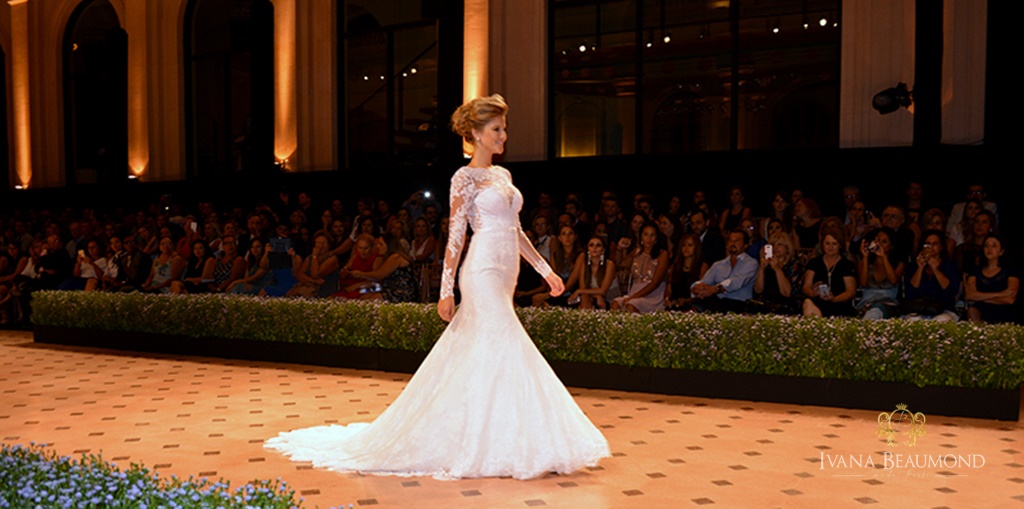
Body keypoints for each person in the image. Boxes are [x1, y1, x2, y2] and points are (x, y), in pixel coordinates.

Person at [266, 94, 609, 479]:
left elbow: (516, 231)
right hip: (481, 271)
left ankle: (496, 434)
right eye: (496, 129)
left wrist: (547, 271)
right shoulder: (463, 178)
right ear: (475, 134)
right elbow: (456, 237)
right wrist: (446, 291)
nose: (503, 135)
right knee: (508, 343)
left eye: (504, 128)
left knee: (489, 351)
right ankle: (499, 441)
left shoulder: (503, 176)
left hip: (506, 271)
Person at [690, 229, 758, 313]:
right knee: (697, 302)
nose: (733, 243)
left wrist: (715, 289)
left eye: (737, 241)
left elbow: (736, 282)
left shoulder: (751, 263)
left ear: (745, 245)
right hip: (719, 303)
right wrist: (697, 288)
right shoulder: (718, 265)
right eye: (730, 240)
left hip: (740, 304)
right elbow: (706, 281)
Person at [965, 234, 1019, 324]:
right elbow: (969, 295)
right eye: (986, 246)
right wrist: (1000, 294)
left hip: (1004, 311)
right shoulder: (976, 270)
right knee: (972, 311)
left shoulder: (1011, 270)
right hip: (981, 311)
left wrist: (980, 297)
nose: (989, 249)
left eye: (994, 246)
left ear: (1001, 251)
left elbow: (1009, 299)